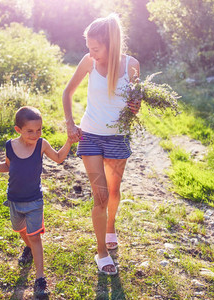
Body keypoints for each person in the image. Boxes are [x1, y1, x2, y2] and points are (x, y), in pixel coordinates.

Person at [62, 13, 141, 275]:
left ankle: (110, 227)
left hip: (118, 137)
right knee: (101, 196)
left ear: (111, 43)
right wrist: (70, 124)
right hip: (91, 136)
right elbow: (67, 92)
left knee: (114, 192)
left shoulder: (131, 66)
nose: (91, 53)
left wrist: (135, 106)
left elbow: (135, 107)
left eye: (96, 48)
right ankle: (102, 252)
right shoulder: (88, 62)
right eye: (89, 48)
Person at [0, 106, 72, 297]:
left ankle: (40, 280)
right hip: (14, 199)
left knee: (35, 236)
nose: (35, 134)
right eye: (30, 131)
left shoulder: (41, 144)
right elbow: (7, 166)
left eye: (39, 130)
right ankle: (28, 248)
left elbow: (60, 158)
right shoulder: (10, 146)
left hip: (34, 201)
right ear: (18, 130)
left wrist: (70, 140)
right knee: (21, 231)